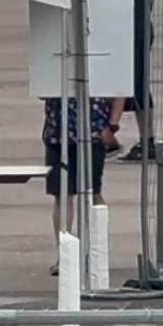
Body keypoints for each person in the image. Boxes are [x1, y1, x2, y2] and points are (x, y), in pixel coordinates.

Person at [100, 0, 161, 161]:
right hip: (125, 31)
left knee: (137, 86)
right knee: (126, 85)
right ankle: (115, 136)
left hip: (133, 31)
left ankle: (147, 141)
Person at [43, 94, 121, 276]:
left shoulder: (103, 64)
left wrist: (112, 126)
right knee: (62, 194)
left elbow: (119, 88)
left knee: (93, 192)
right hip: (58, 131)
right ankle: (64, 255)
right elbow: (43, 89)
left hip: (93, 132)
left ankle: (97, 251)